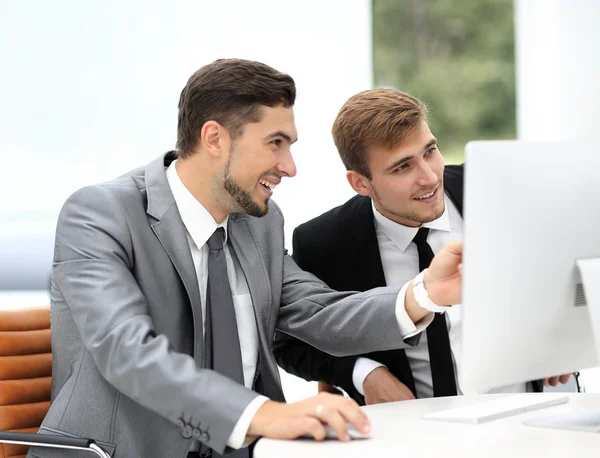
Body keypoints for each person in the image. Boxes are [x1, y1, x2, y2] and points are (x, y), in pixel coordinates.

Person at [34, 60, 464, 458]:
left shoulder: (260, 223)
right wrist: (263, 415)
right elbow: (127, 352)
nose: (290, 167)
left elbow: (319, 312)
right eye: (275, 144)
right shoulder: (100, 214)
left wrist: (425, 294)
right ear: (215, 138)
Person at [274, 88, 571, 406]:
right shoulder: (324, 242)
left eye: (429, 151)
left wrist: (565, 338)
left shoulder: (505, 191)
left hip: (526, 415)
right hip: (410, 434)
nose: (429, 178)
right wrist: (363, 373)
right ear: (360, 183)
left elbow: (569, 275)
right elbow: (293, 344)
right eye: (403, 167)